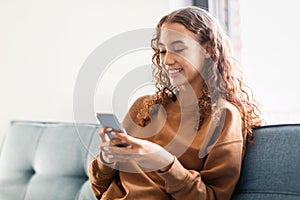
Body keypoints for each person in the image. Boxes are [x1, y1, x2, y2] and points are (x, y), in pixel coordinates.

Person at [89, 6, 262, 200]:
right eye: (162, 50)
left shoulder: (223, 116)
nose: (167, 60)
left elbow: (211, 197)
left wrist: (164, 161)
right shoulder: (144, 108)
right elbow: (99, 189)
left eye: (178, 49)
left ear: (208, 49)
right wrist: (107, 158)